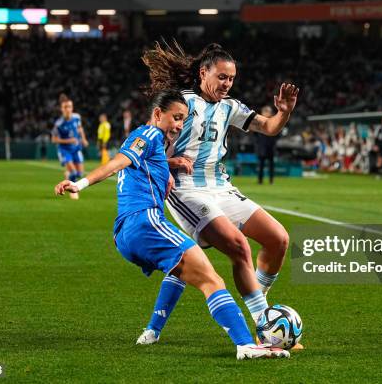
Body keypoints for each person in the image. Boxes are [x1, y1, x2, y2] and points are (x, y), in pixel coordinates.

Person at [53, 90, 289, 360]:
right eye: (176, 118)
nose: (179, 125)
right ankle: (247, 345)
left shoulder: (152, 144)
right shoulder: (150, 135)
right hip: (147, 223)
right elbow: (119, 162)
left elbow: (142, 163)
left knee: (179, 268)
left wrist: (171, 163)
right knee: (212, 280)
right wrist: (79, 183)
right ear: (157, 114)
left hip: (124, 235)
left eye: (183, 119)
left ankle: (153, 330)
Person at [136, 41, 301, 348]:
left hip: (221, 187)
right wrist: (169, 162)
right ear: (203, 73)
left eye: (231, 79)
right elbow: (146, 140)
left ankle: (258, 301)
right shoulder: (182, 102)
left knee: (278, 239)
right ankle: (264, 324)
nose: (227, 84)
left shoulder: (230, 107)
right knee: (238, 247)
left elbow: (269, 127)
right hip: (185, 189)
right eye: (222, 77)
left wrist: (284, 112)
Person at [51, 94, 89, 200]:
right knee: (73, 172)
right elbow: (53, 139)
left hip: (76, 148)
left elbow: (80, 128)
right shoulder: (59, 124)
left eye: (70, 107)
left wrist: (84, 139)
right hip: (64, 150)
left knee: (80, 173)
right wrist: (68, 140)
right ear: (61, 109)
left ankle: (68, 175)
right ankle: (72, 191)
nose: (68, 109)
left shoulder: (77, 117)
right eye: (65, 107)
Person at [255, 106, 279, 184]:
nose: (267, 113)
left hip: (271, 147)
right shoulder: (258, 122)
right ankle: (260, 180)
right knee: (261, 165)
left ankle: (271, 181)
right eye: (265, 111)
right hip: (262, 147)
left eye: (268, 111)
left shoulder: (273, 122)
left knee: (271, 166)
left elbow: (277, 134)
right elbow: (255, 135)